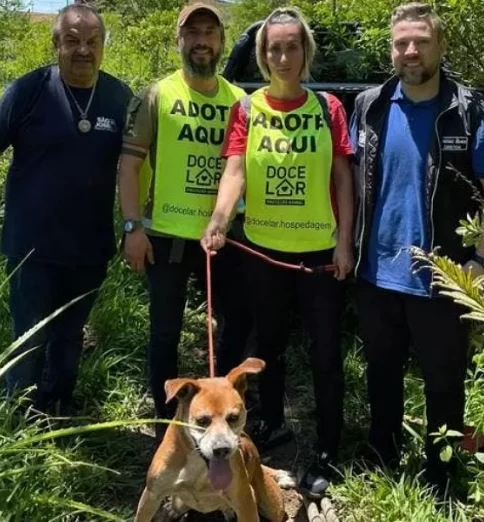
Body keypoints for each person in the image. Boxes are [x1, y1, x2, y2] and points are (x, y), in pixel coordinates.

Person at [349, 2, 484, 493]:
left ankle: (441, 473)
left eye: (421, 40)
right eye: (402, 42)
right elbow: (355, 179)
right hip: (376, 273)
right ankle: (383, 455)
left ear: (440, 46)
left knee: (444, 383)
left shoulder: (472, 111)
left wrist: (481, 261)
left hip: (444, 274)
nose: (411, 50)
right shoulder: (371, 105)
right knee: (381, 372)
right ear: (391, 49)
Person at [0, 4, 133, 415]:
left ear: (103, 46)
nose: (83, 50)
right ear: (56, 44)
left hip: (90, 248)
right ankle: (16, 419)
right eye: (72, 40)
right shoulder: (28, 92)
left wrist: (140, 224)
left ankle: (58, 411)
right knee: (28, 338)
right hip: (31, 246)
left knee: (69, 339)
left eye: (92, 41)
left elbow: (139, 166)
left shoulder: (120, 98)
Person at [201, 7, 354, 498]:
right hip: (263, 251)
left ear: (305, 52)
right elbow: (235, 171)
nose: (283, 56)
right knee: (266, 348)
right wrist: (220, 220)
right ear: (264, 57)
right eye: (274, 48)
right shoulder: (248, 108)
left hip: (319, 253)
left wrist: (346, 240)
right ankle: (270, 424)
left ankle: (328, 447)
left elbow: (342, 179)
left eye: (292, 46)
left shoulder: (328, 107)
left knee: (325, 352)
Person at [118, 3, 252, 438]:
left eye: (210, 32)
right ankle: (167, 427)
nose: (201, 41)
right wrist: (132, 227)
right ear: (179, 40)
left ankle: (230, 423)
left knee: (233, 334)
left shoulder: (240, 101)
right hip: (167, 237)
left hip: (227, 238)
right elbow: (129, 165)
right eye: (192, 32)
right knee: (164, 335)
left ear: (221, 41)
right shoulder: (156, 94)